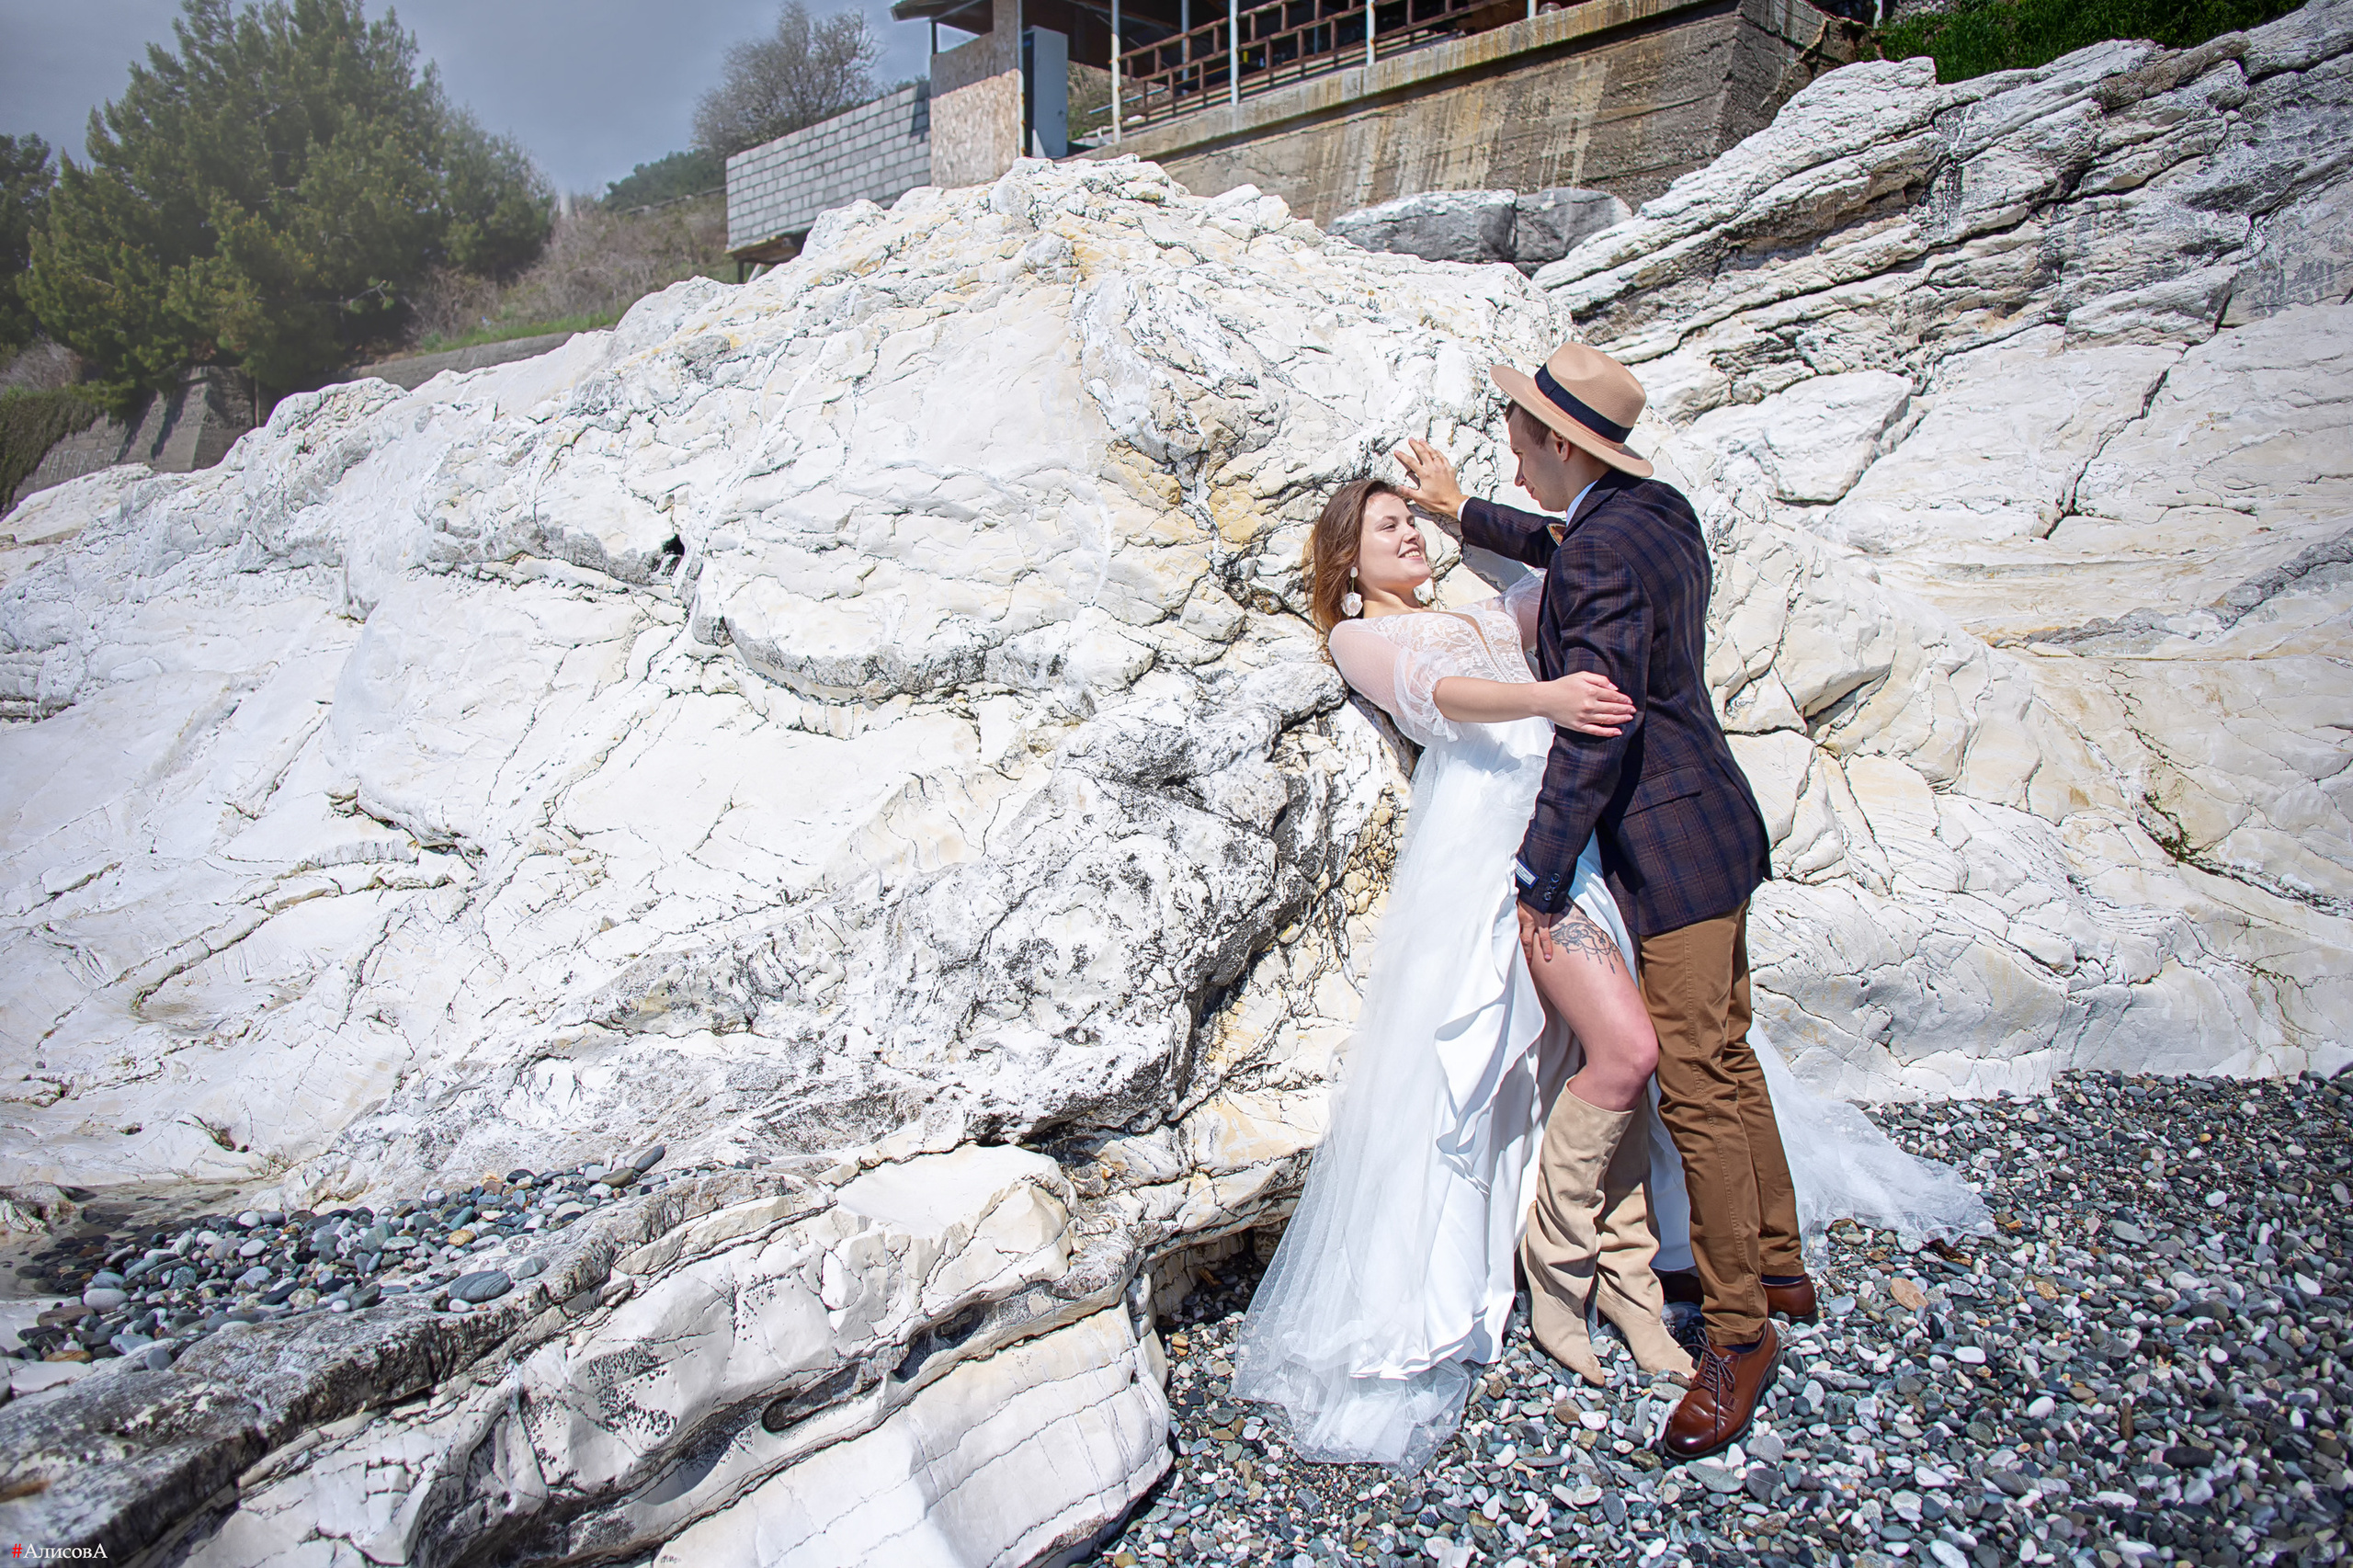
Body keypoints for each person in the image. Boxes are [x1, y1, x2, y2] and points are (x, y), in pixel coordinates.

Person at [1394, 339, 1810, 1460]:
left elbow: (1597, 730)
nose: (1513, 461)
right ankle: (1779, 1261)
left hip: (1665, 846)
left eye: (1521, 442)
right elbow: (1559, 540)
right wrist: (1459, 510)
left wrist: (1537, 873)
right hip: (1720, 819)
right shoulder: (1656, 512)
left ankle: (1740, 1333)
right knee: (1728, 1051)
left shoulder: (1600, 560)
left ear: (1562, 443)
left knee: (1696, 1085)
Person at [1231, 477, 1695, 1473]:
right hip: (1486, 851)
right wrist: (1546, 696)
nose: (1407, 536)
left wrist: (1457, 509)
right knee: (1572, 1055)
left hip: (1564, 836)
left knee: (1602, 1054)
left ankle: (1626, 1282)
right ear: (1347, 561)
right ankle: (1562, 1283)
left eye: (1410, 522)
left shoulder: (1480, 607)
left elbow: (1579, 559)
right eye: (1387, 526)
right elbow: (1440, 697)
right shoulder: (1360, 636)